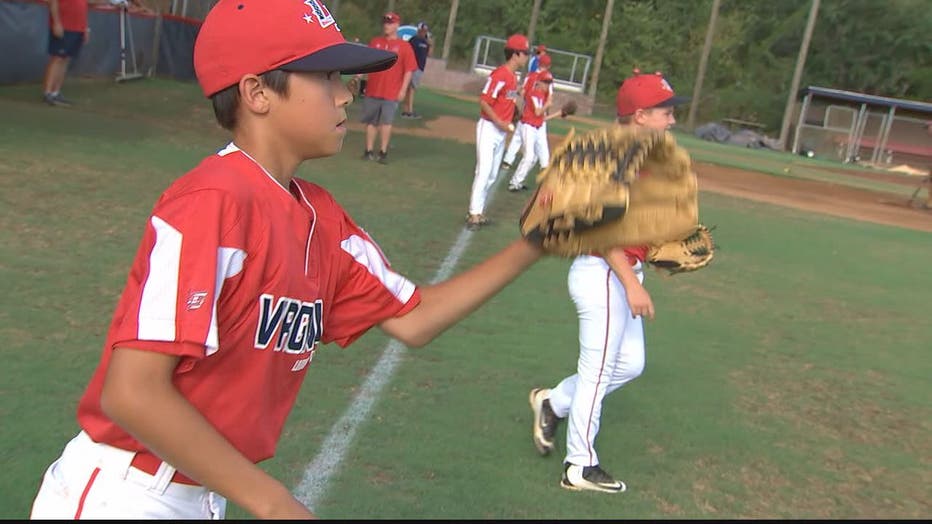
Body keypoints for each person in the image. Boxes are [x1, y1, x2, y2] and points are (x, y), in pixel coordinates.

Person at [29, 0, 547, 519]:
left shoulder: (321, 217)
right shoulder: (214, 200)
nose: (346, 93)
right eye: (326, 77)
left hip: (201, 495)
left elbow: (415, 319)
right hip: (125, 492)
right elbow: (132, 392)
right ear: (257, 92)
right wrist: (276, 505)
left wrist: (536, 243)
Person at [528, 68, 690, 493]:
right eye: (664, 111)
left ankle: (555, 401)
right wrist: (631, 283)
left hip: (621, 272)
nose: (671, 119)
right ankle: (579, 466)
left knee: (630, 364)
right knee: (597, 372)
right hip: (602, 273)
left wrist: (655, 254)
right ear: (639, 116)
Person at [465, 33, 530, 230]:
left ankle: (479, 210)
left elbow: (508, 100)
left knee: (492, 173)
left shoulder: (513, 77)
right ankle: (474, 214)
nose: (526, 57)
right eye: (525, 53)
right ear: (515, 54)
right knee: (483, 171)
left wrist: (517, 105)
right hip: (489, 127)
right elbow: (484, 101)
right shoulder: (500, 74)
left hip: (500, 131)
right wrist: (500, 121)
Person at [359, 11, 418, 164]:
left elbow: (409, 70)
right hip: (373, 88)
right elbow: (367, 62)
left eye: (390, 23)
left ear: (397, 25)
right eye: (385, 22)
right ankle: (369, 150)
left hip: (391, 91)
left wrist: (403, 89)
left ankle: (383, 151)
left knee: (386, 122)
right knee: (371, 121)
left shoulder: (404, 46)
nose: (387, 25)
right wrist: (358, 76)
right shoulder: (375, 42)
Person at [502, 52, 552, 172]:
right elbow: (549, 97)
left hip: (525, 111)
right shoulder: (548, 77)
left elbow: (522, 92)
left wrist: (510, 97)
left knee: (517, 137)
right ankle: (544, 165)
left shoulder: (530, 76)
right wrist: (547, 110)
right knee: (540, 141)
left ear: (538, 63)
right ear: (549, 66)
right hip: (538, 113)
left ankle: (507, 161)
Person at [507, 71, 553, 192]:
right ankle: (514, 183)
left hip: (536, 128)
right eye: (545, 83)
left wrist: (558, 114)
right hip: (528, 127)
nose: (547, 86)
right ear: (539, 82)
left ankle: (518, 181)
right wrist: (547, 104)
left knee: (538, 157)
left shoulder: (541, 95)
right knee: (529, 156)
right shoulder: (534, 93)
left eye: (549, 84)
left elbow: (541, 117)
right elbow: (538, 112)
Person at [42, 0, 90, 107]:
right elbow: (52, 2)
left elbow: (84, 5)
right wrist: (56, 22)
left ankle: (56, 92)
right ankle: (47, 93)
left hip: (77, 27)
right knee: (57, 58)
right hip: (64, 25)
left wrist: (85, 27)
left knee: (66, 59)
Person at [401, 21, 432, 119]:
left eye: (425, 31)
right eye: (422, 31)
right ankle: (409, 111)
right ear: (419, 30)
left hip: (420, 67)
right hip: (414, 66)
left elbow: (429, 54)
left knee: (410, 89)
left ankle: (406, 111)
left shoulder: (425, 42)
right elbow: (407, 51)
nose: (423, 33)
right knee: (411, 89)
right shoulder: (414, 40)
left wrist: (430, 44)